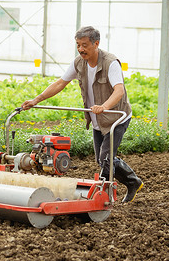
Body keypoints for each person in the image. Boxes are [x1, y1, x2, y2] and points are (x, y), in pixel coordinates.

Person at [21, 26, 143, 204]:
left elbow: (119, 91)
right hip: (97, 119)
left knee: (105, 159)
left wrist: (104, 106)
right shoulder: (79, 62)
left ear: (96, 43)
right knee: (102, 160)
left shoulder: (110, 62)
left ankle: (105, 197)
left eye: (84, 45)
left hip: (116, 117)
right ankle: (133, 182)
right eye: (78, 45)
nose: (81, 49)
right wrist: (36, 100)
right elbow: (60, 83)